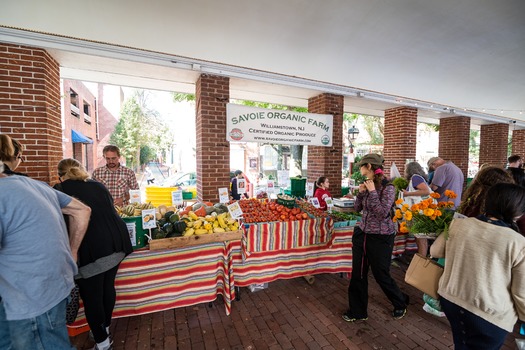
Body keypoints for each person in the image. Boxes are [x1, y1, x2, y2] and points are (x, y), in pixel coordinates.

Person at [0, 160, 91, 350]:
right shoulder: (35, 185)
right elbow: (82, 210)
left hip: (27, 298)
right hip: (53, 287)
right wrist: (72, 252)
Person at [430, 183, 525, 349]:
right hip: (488, 313)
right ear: (517, 212)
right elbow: (521, 293)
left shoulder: (458, 224)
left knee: (462, 343)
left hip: (451, 298)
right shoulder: (517, 242)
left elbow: (435, 251)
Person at [55, 158, 133, 350]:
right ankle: (103, 329)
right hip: (116, 243)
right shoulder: (97, 185)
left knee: (92, 298)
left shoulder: (59, 189)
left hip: (90, 250)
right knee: (107, 288)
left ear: (61, 175)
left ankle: (103, 343)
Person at [343, 153, 409, 323]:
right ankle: (357, 312)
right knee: (358, 274)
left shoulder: (389, 187)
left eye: (362, 166)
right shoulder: (366, 184)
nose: (360, 169)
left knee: (381, 274)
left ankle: (400, 301)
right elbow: (357, 209)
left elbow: (381, 213)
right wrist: (361, 193)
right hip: (362, 234)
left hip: (381, 237)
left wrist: (372, 192)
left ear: (369, 167)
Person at [402, 161, 431, 256]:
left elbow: (426, 191)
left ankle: (422, 260)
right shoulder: (417, 178)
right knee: (419, 237)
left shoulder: (415, 178)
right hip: (420, 212)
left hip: (420, 212)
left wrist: (407, 194)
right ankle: (421, 257)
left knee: (421, 237)